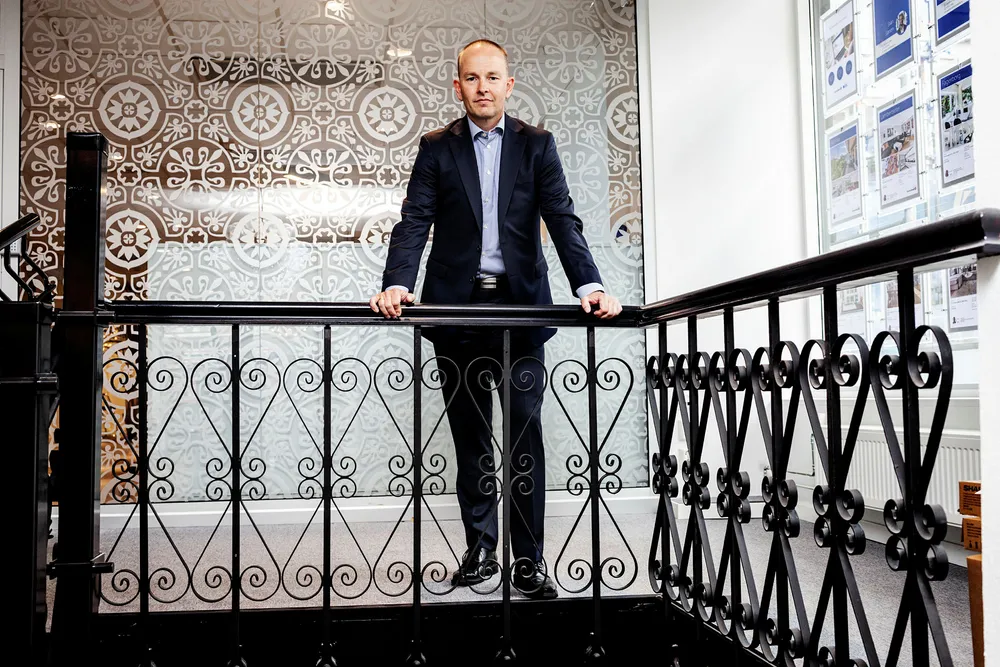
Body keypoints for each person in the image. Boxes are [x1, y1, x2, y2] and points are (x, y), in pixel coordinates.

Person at [368, 39, 622, 599]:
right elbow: (414, 221)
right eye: (472, 78)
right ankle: (481, 550)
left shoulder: (537, 145)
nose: (482, 87)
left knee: (525, 437)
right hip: (455, 312)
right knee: (472, 440)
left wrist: (591, 285)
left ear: (509, 85)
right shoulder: (436, 148)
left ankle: (528, 560)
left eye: (492, 77)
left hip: (520, 311)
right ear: (457, 86)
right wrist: (397, 282)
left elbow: (562, 219)